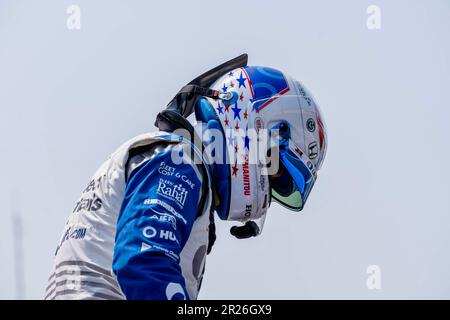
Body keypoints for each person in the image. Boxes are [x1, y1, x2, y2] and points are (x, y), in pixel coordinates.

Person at [44, 54, 328, 300]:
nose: (269, 194)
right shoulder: (178, 160)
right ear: (256, 127)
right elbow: (142, 262)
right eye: (276, 167)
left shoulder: (169, 159)